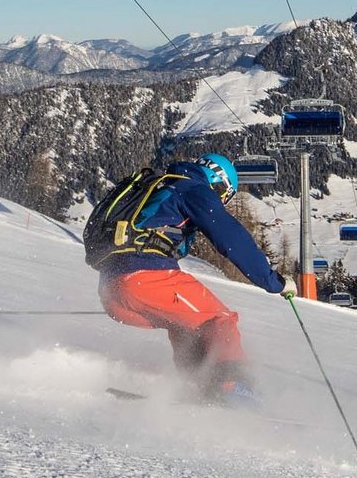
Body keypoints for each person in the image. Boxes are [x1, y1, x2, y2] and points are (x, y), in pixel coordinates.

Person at [89, 153, 293, 402]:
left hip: (112, 290)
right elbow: (231, 238)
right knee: (219, 320)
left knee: (186, 324)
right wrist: (272, 281)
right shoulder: (193, 189)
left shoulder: (163, 186)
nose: (220, 201)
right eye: (223, 196)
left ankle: (196, 384)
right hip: (144, 277)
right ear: (218, 183)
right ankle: (235, 390)